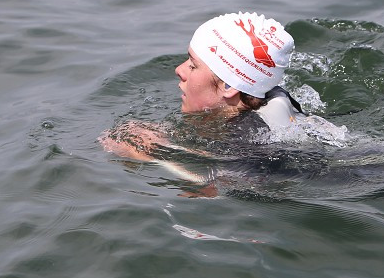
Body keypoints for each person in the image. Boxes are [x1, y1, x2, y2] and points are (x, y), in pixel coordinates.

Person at [100, 12, 308, 166]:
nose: (179, 70)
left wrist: (159, 153)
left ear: (229, 85)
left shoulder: (249, 145)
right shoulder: (271, 101)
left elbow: (236, 175)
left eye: (193, 65)